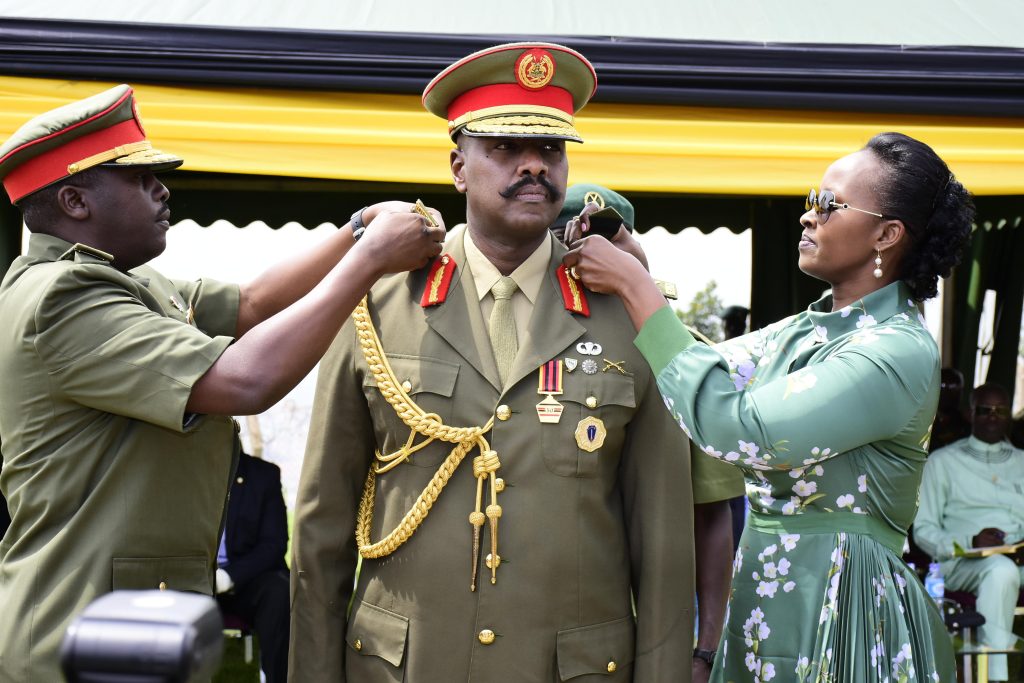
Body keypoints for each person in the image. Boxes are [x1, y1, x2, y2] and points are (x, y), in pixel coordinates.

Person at [0, 84, 445, 681]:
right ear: (76, 201)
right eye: (139, 179)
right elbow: (244, 380)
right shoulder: (63, 298)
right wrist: (369, 263)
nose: (162, 190)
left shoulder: (128, 286)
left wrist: (358, 230)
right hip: (78, 633)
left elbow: (255, 304)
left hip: (137, 622)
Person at [290, 43, 697, 681]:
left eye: (551, 151)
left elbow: (667, 544)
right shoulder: (375, 301)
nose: (534, 168)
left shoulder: (633, 312)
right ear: (458, 167)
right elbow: (321, 528)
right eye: (506, 149)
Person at [564, 131, 974, 681]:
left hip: (841, 601)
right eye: (811, 199)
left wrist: (638, 289)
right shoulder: (811, 330)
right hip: (763, 595)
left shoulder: (897, 349)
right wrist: (638, 265)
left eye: (828, 204)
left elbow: (735, 428)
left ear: (886, 234)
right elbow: (694, 370)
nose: (808, 216)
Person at [554, 182, 744, 680]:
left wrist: (706, 648)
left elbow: (712, 517)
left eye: (611, 239)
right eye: (572, 235)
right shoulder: (526, 342)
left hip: (641, 627)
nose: (589, 252)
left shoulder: (682, 353)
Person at [915, 383, 1024, 682]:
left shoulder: (1022, 462)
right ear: (971, 413)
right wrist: (970, 541)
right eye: (985, 410)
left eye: (1000, 411)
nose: (993, 417)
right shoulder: (942, 462)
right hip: (961, 561)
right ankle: (997, 676)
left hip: (1019, 559)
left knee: (1005, 568)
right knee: (1000, 571)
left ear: (1008, 417)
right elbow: (923, 530)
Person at [215, 451, 291, 683]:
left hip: (246, 580)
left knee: (279, 592)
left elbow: (274, 543)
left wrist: (229, 576)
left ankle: (277, 678)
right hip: (196, 579)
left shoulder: (263, 474)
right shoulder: (183, 473)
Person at [929, 367, 971, 452]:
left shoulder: (969, 424)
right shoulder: (921, 422)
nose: (948, 391)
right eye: (943, 385)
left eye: (954, 386)